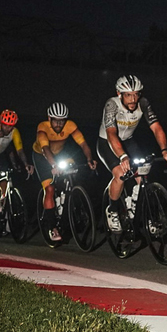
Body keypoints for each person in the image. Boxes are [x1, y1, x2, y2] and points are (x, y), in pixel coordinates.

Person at [97, 75, 167, 232]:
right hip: (107, 142)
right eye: (128, 95)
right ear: (119, 94)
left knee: (143, 175)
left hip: (128, 141)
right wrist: (122, 156)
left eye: (136, 94)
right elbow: (111, 133)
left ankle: (142, 211)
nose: (133, 99)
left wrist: (164, 150)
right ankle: (112, 210)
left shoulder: (143, 103)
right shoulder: (112, 104)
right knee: (120, 174)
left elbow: (156, 127)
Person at [32, 102, 97, 242]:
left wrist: (89, 159)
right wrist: (54, 165)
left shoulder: (71, 126)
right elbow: (45, 149)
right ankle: (52, 227)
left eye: (62, 121)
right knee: (49, 189)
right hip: (42, 156)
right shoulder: (43, 127)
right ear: (49, 118)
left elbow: (83, 144)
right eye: (56, 120)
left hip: (59, 154)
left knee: (73, 170)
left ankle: (67, 202)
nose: (59, 124)